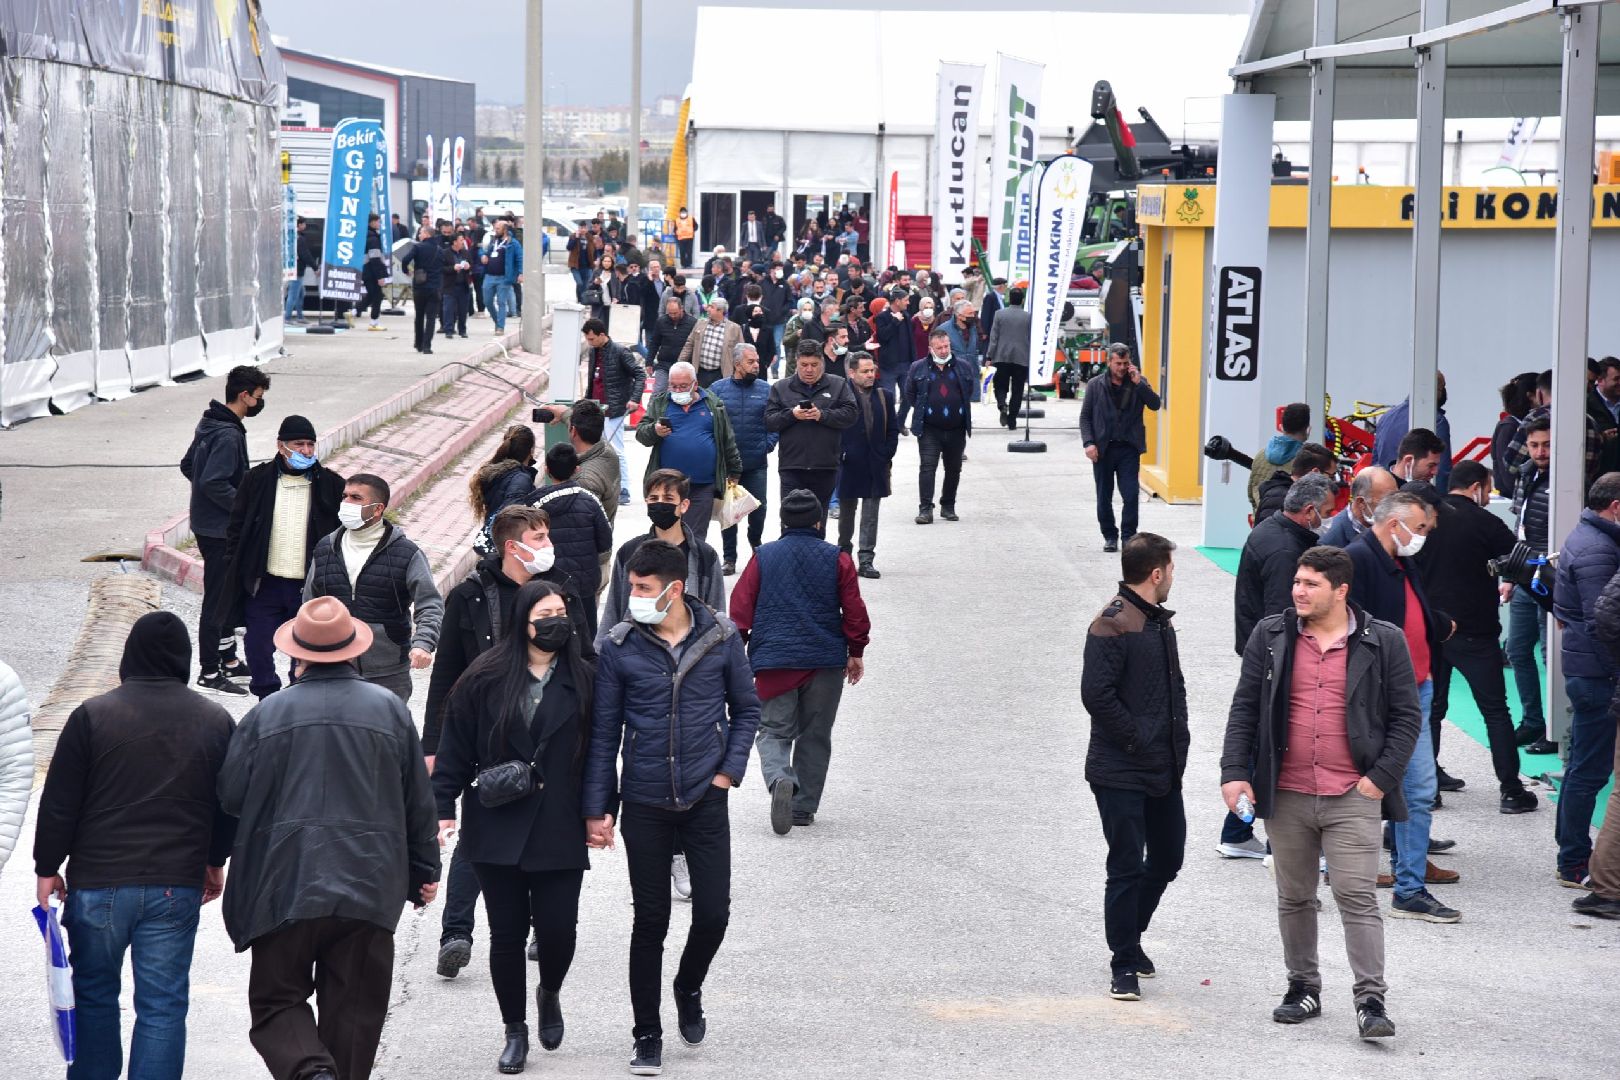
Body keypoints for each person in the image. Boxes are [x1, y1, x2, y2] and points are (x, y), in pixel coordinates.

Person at [219, 598, 440, 1080]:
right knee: (356, 1012)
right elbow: (417, 802)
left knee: (277, 1000)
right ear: (354, 653)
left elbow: (230, 796)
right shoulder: (389, 711)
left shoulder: (266, 715)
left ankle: (310, 1070)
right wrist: (424, 871)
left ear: (296, 657)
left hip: (283, 881)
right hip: (371, 881)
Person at [1221, 545, 1420, 1041]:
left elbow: (1406, 719)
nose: (1298, 591)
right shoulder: (1270, 636)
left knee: (1356, 896)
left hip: (1353, 793)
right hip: (1285, 793)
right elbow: (1244, 708)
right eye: (1297, 582)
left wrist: (1378, 780)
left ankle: (1370, 1000)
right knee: (1294, 897)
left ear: (1341, 590)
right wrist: (1233, 772)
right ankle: (1302, 987)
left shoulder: (1384, 641)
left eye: (1310, 584)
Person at [583, 540, 762, 1076]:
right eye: (630, 586)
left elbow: (747, 709)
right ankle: (646, 1033)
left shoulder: (721, 637)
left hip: (706, 796)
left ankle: (688, 986)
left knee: (713, 913)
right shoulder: (618, 646)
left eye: (640, 588)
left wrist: (728, 772)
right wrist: (599, 807)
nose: (631, 596)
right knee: (651, 921)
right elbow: (603, 734)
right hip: (644, 800)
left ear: (674, 589)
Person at [33, 613, 234, 1079]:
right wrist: (214, 860)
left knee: (95, 995)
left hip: (98, 885)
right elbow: (228, 803)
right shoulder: (215, 720)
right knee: (162, 1006)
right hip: (174, 884)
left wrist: (48, 866)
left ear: (130, 655)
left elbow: (61, 801)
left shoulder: (92, 715)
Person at [433, 581, 596, 1073]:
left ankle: (549, 992)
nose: (556, 622)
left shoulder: (586, 676)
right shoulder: (483, 677)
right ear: (523, 622)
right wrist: (443, 805)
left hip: (559, 824)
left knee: (557, 932)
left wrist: (601, 809)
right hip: (496, 824)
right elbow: (455, 744)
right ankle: (514, 1029)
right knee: (505, 935)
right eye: (545, 613)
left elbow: (599, 752)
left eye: (561, 612)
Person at [424, 506, 593, 976]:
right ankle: (456, 932)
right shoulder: (471, 595)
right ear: (510, 545)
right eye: (537, 536)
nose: (546, 544)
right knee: (478, 838)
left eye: (546, 535)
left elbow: (586, 654)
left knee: (544, 832)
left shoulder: (561, 591)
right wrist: (433, 745)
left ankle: (543, 925)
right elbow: (448, 675)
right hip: (490, 734)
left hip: (549, 731)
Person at [1080, 534, 1188, 1001]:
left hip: (1162, 766)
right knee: (1125, 864)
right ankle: (1122, 961)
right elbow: (1095, 695)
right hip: (1120, 769)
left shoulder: (1156, 620)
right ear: (1157, 573)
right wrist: (1137, 739)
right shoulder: (1111, 624)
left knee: (1168, 857)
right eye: (1171, 569)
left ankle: (1131, 934)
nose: (1172, 578)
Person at [1346, 491, 1461, 922]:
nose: (1424, 537)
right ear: (1396, 525)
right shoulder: (1358, 559)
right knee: (1406, 787)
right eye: (1422, 528)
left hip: (1417, 687)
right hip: (1384, 695)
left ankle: (1409, 884)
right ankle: (1404, 886)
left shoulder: (1401, 560)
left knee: (1414, 788)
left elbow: (1412, 610)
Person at [730, 490, 870, 834]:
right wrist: (856, 651)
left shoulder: (763, 557)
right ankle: (803, 807)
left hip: (775, 662)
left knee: (774, 731)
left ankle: (780, 778)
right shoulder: (837, 559)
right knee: (815, 734)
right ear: (819, 522)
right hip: (824, 661)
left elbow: (740, 611)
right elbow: (854, 610)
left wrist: (738, 659)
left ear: (783, 522)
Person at [1221, 474, 1339, 859]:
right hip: (1275, 661)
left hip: (1262, 653)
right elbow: (1282, 617)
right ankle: (1276, 840)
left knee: (1263, 742)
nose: (1329, 519)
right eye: (1325, 513)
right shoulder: (1286, 552)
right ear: (1308, 512)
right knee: (1273, 745)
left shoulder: (1274, 529)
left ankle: (1238, 830)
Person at [1420, 461, 1539, 815]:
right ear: (1476, 487)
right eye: (1488, 488)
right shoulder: (1487, 524)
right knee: (1495, 712)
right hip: (1476, 631)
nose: (1489, 496)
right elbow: (1524, 563)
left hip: (1431, 629)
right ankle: (1511, 790)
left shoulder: (1426, 518)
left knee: (1431, 709)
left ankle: (1429, 788)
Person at [218, 415, 344, 699]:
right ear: (281, 446)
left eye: (311, 444)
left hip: (308, 587)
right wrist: (237, 568)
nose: (306, 451)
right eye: (299, 444)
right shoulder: (257, 480)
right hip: (267, 584)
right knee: (258, 644)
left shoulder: (331, 485)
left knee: (303, 649)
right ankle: (266, 699)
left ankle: (297, 700)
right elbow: (236, 528)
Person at [303, 473, 443, 703]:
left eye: (356, 498)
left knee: (385, 736)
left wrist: (424, 642)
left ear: (377, 509)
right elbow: (310, 604)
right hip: (332, 666)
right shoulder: (325, 548)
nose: (346, 503)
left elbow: (430, 603)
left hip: (386, 671)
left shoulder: (406, 553)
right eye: (344, 496)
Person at [182, 364, 270, 696]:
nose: (259, 404)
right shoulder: (229, 433)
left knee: (230, 596)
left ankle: (229, 659)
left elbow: (188, 465)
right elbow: (212, 481)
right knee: (218, 601)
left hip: (208, 524)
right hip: (219, 531)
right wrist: (242, 506)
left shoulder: (212, 421)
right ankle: (208, 670)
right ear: (244, 395)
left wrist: (205, 499)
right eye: (258, 398)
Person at [1551, 471, 1620, 889]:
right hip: (1596, 674)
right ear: (1615, 507)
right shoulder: (1599, 549)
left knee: (1583, 768)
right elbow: (1603, 621)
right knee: (1589, 773)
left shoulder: (1589, 538)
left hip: (1587, 668)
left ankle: (1571, 853)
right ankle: (1573, 859)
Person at [600, 470, 727, 643]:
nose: (660, 504)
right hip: (636, 649)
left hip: (690, 649)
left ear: (684, 505)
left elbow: (717, 612)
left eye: (668, 499)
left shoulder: (705, 557)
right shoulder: (629, 552)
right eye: (654, 499)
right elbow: (613, 610)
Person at [637, 361, 743, 541]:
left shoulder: (713, 404)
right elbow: (641, 435)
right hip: (667, 486)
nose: (678, 391)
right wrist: (654, 431)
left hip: (702, 486)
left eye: (683, 386)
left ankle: (693, 569)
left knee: (695, 537)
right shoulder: (660, 402)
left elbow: (727, 440)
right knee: (666, 535)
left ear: (695, 384)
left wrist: (735, 470)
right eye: (674, 386)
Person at [765, 342, 859, 533]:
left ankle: (818, 560)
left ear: (822, 363)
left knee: (819, 521)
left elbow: (851, 415)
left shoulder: (838, 384)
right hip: (792, 466)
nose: (809, 370)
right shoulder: (781, 387)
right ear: (796, 363)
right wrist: (792, 415)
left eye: (814, 365)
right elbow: (769, 421)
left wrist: (822, 416)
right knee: (790, 520)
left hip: (825, 465)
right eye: (804, 365)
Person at [1080, 343, 1162, 552]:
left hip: (1128, 448)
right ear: (1109, 362)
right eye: (1118, 363)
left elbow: (1155, 404)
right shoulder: (1095, 385)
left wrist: (1139, 384)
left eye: (1126, 363)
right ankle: (1109, 535)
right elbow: (1085, 417)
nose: (1122, 368)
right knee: (1104, 495)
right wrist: (1089, 443)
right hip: (1103, 448)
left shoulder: (1138, 382)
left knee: (1131, 494)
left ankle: (1128, 537)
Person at [1506, 416, 1557, 754]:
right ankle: (1534, 721)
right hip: (1525, 574)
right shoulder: (1527, 473)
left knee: (1549, 656)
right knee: (1516, 650)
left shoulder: (1567, 479)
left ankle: (1555, 730)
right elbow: (1519, 528)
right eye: (1535, 445)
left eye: (1547, 444)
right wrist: (1510, 577)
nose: (1540, 451)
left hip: (1550, 576)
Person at [523, 443, 614, 617]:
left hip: (546, 587)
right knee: (585, 638)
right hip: (584, 586)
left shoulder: (533, 505)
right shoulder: (591, 501)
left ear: (547, 470)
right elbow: (605, 542)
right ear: (577, 469)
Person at [711, 344, 777, 576]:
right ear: (737, 364)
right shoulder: (717, 389)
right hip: (728, 466)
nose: (756, 365)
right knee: (729, 512)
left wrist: (768, 444)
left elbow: (775, 421)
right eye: (751, 362)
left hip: (756, 462)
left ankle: (756, 548)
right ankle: (729, 558)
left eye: (757, 361)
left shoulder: (766, 390)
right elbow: (710, 424)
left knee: (759, 508)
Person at [904, 329, 976, 526]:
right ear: (931, 348)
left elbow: (968, 391)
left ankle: (948, 505)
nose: (944, 351)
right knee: (927, 468)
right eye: (939, 347)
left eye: (946, 346)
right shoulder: (917, 368)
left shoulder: (963, 367)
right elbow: (910, 394)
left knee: (954, 469)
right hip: (929, 429)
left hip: (956, 427)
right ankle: (925, 509)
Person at [836, 352, 898, 578]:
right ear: (852, 373)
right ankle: (843, 555)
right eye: (865, 371)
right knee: (847, 513)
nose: (870, 375)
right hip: (849, 464)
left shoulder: (884, 395)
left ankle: (866, 559)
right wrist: (841, 453)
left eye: (872, 370)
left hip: (875, 463)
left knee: (871, 514)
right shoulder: (841, 395)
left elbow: (892, 429)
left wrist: (885, 454)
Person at [581, 317, 648, 506]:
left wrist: (634, 399)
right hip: (596, 408)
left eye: (592, 339)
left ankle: (624, 488)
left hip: (615, 409)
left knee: (617, 450)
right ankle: (602, 486)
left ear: (602, 335)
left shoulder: (620, 352)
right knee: (597, 450)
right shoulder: (595, 351)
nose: (590, 342)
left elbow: (640, 374)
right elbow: (593, 380)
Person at [1373, 372, 1452, 488]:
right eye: (1442, 387)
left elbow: (1375, 462)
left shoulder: (1387, 416)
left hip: (1386, 494)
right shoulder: (1436, 421)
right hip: (1416, 496)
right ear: (1436, 390)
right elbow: (1441, 472)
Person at [471, 424, 539, 538]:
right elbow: (512, 522)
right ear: (531, 451)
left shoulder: (497, 472)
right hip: (505, 547)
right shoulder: (521, 480)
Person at [1247, 403, 1312, 511]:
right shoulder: (1308, 460)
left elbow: (1251, 494)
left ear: (1282, 426)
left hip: (1261, 523)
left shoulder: (1260, 455)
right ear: (1307, 429)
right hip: (1291, 525)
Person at [1254, 442, 1337, 525]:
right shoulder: (1279, 498)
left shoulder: (1291, 495)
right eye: (1331, 476)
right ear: (1315, 472)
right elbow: (1271, 534)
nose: (1333, 482)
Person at [984, 287, 1031, 430]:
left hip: (1001, 356)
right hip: (1022, 357)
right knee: (1017, 390)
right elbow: (1030, 338)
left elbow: (994, 337)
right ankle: (1012, 420)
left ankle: (1001, 404)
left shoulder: (999, 314)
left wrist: (989, 355)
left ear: (1009, 299)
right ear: (1022, 300)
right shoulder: (1028, 316)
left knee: (1000, 385)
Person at [1321, 466, 1398, 549]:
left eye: (1396, 498)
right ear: (1361, 503)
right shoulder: (1332, 541)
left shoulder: (1396, 527)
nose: (1394, 507)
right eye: (1386, 502)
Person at [677, 297, 741, 390]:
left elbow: (740, 353)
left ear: (720, 311)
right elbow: (689, 345)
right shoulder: (700, 323)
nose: (708, 308)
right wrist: (679, 364)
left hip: (721, 374)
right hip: (700, 373)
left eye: (711, 307)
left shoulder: (734, 328)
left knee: (717, 401)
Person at [400, 225, 447, 353]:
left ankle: (418, 343)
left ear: (427, 234)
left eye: (421, 233)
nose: (419, 235)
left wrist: (406, 271)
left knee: (419, 316)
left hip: (420, 286)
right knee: (431, 318)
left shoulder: (418, 247)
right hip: (435, 287)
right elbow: (444, 266)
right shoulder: (440, 250)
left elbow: (405, 260)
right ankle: (427, 346)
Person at [650, 295, 699, 396]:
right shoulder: (661, 321)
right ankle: (653, 411)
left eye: (675, 313)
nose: (672, 316)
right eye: (670, 313)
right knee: (657, 392)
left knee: (679, 394)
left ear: (682, 309)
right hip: (664, 365)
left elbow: (695, 346)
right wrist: (649, 362)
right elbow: (654, 343)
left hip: (683, 366)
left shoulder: (692, 323)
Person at [872, 289, 916, 398]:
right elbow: (883, 336)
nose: (908, 303)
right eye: (906, 300)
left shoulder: (906, 315)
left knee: (908, 398)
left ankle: (900, 416)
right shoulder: (881, 317)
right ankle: (890, 416)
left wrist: (913, 360)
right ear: (897, 301)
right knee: (888, 398)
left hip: (906, 364)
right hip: (889, 366)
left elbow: (911, 340)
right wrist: (895, 322)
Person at [482, 220, 523, 333]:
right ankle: (497, 321)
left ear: (505, 229)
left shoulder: (513, 243)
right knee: (487, 301)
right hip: (489, 276)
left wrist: (520, 273)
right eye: (495, 228)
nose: (496, 231)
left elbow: (519, 258)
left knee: (501, 302)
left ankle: (500, 327)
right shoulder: (493, 241)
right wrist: (484, 256)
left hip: (503, 278)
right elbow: (486, 251)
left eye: (498, 229)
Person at [441, 233, 475, 339]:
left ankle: (462, 330)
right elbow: (441, 268)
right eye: (461, 240)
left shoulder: (465, 253)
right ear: (454, 242)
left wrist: (468, 266)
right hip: (450, 285)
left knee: (463, 310)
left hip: (463, 285)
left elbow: (471, 264)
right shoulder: (444, 253)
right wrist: (453, 268)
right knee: (448, 309)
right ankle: (449, 330)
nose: (463, 242)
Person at [362, 214, 389, 330]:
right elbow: (375, 259)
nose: (379, 224)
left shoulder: (366, 235)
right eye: (378, 222)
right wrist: (380, 276)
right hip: (372, 272)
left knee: (372, 295)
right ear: (371, 223)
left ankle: (353, 312)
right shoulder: (373, 238)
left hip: (367, 270)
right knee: (377, 296)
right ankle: (374, 322)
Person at [286, 217, 314, 325]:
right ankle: (287, 318)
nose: (305, 226)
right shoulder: (299, 238)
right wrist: (315, 267)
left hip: (297, 269)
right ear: (299, 225)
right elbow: (305, 254)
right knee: (293, 294)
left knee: (300, 293)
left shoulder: (293, 236)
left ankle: (300, 316)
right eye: (304, 224)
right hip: (297, 270)